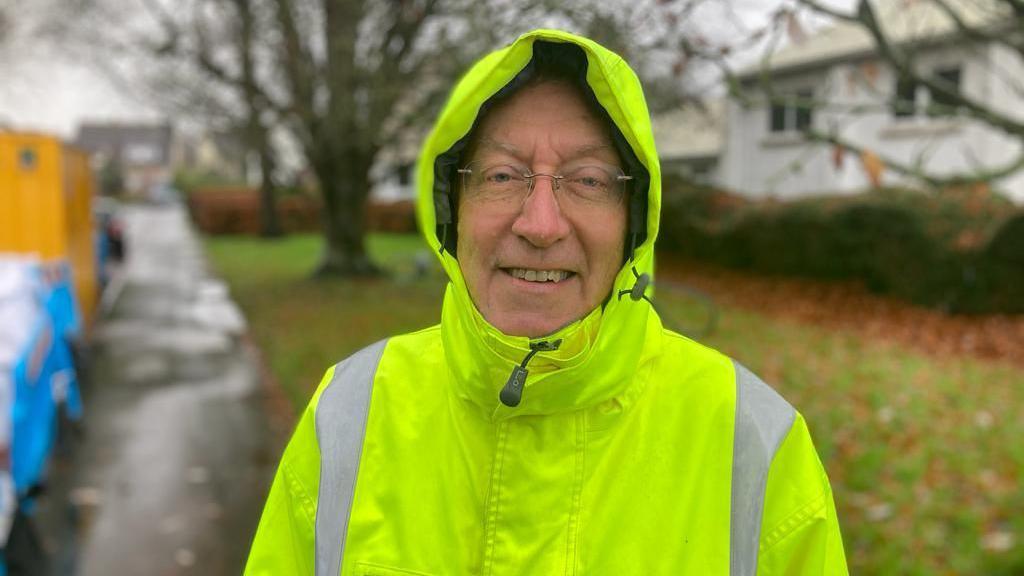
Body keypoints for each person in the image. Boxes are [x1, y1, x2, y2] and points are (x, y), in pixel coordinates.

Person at [245, 29, 848, 575]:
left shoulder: (756, 441)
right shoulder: (349, 411)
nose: (539, 224)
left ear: (632, 224)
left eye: (587, 181)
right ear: (454, 210)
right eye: (503, 176)